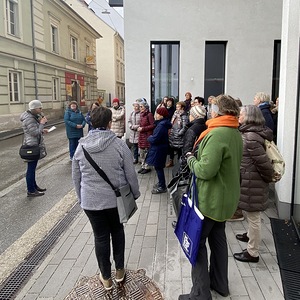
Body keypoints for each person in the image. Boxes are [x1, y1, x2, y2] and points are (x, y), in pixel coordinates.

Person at [179, 95, 243, 300]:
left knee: (197, 244)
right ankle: (219, 284)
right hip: (225, 200)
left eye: (211, 107)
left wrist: (190, 158)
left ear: (218, 111)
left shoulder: (217, 134)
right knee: (218, 239)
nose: (209, 110)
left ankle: (200, 295)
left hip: (211, 201)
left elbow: (205, 171)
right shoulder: (234, 132)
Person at [72, 106, 140, 291]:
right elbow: (130, 174)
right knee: (117, 232)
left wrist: (81, 198)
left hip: (91, 202)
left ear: (91, 123)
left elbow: (76, 178)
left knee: (100, 237)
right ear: (110, 123)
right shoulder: (119, 145)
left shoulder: (81, 146)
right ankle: (119, 271)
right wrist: (134, 193)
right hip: (115, 201)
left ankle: (106, 277)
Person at [233, 105, 273, 263]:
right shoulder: (252, 133)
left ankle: (253, 252)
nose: (239, 116)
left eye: (241, 114)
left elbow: (264, 165)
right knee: (251, 214)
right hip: (251, 181)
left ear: (249, 117)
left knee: (254, 217)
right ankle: (250, 236)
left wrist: (266, 179)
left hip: (253, 182)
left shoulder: (250, 137)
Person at [20, 100, 48, 197]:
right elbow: (34, 133)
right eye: (39, 108)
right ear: (34, 108)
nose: (41, 110)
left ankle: (34, 186)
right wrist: (42, 123)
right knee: (31, 169)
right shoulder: (29, 119)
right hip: (31, 146)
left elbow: (35, 131)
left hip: (33, 144)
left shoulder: (32, 117)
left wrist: (42, 130)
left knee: (33, 168)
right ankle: (31, 190)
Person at [146, 107, 172, 194]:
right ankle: (161, 182)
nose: (156, 115)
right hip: (160, 148)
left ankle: (162, 186)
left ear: (161, 115)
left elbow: (155, 139)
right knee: (158, 167)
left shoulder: (161, 125)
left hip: (159, 149)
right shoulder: (162, 124)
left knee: (158, 167)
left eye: (157, 114)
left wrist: (149, 138)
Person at [166, 101, 188, 167]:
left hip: (179, 136)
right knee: (171, 149)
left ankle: (179, 165)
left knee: (179, 150)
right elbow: (172, 122)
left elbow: (185, 126)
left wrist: (179, 133)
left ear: (182, 108)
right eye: (176, 107)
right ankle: (171, 161)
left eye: (178, 107)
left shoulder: (184, 115)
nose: (177, 108)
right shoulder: (175, 113)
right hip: (172, 134)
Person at [137, 98, 155, 174]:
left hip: (147, 136)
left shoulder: (149, 114)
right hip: (141, 136)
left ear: (145, 107)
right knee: (141, 152)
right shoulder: (141, 114)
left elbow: (153, 125)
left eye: (141, 107)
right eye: (139, 106)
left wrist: (143, 128)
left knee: (146, 152)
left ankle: (147, 167)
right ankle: (143, 166)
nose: (140, 108)